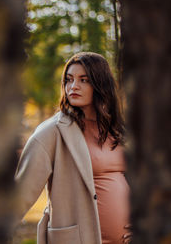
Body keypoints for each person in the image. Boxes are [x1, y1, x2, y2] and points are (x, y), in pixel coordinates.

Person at [14, 52, 131, 244]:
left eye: (83, 80)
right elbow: (20, 195)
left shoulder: (116, 129)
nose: (73, 86)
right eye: (69, 80)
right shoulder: (52, 132)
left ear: (101, 84)